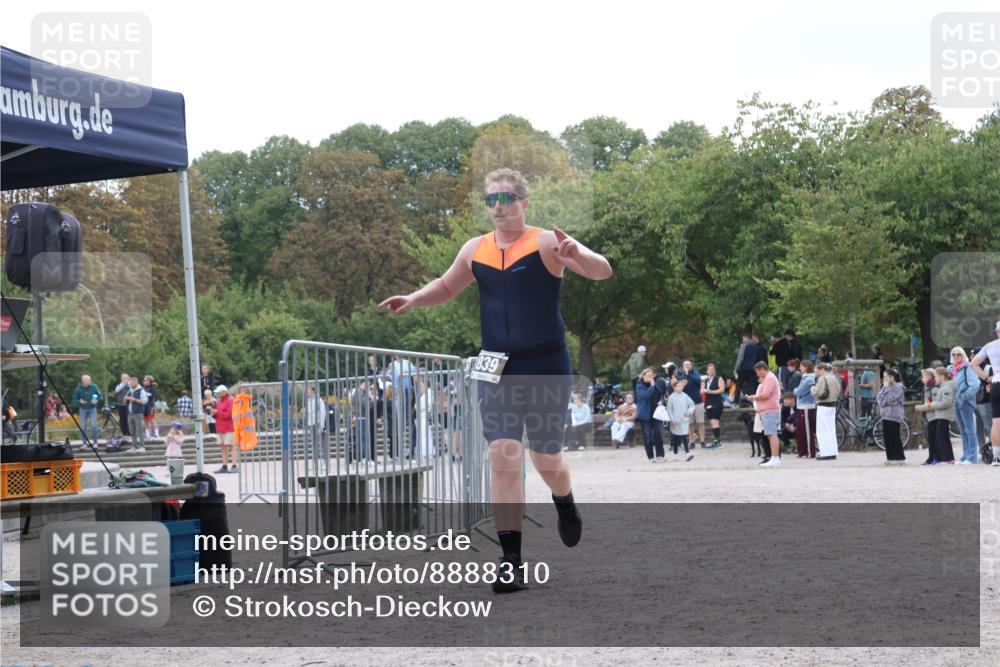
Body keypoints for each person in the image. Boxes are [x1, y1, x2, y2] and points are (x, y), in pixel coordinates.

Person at [378, 167, 612, 592]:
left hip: (545, 364)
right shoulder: (475, 249)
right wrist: (413, 299)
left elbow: (602, 272)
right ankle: (511, 561)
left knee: (545, 459)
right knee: (502, 454)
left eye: (506, 198)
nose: (498, 207)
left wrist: (578, 252)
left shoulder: (546, 242)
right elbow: (446, 287)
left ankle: (564, 501)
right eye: (491, 199)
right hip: (496, 366)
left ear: (524, 203)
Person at [970, 322, 1000, 467]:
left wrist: (987, 378)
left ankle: (996, 457)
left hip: (996, 382)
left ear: (997, 331)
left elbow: (973, 363)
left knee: (996, 422)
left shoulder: (990, 346)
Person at [916, 367, 956, 464]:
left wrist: (929, 405)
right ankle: (945, 458)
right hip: (939, 415)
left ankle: (944, 458)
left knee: (941, 437)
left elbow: (945, 403)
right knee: (940, 437)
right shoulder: (941, 387)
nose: (935, 379)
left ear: (942, 376)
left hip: (941, 416)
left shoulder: (943, 388)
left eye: (936, 376)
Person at [746, 361, 782, 467]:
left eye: (757, 372)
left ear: (761, 369)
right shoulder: (768, 378)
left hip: (770, 410)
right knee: (770, 435)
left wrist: (752, 397)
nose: (757, 374)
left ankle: (775, 458)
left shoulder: (769, 378)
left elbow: (765, 395)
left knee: (772, 435)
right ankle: (774, 458)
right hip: (768, 410)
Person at [950, 346, 979, 465]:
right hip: (955, 403)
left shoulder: (967, 367)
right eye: (954, 354)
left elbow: (975, 384)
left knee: (969, 429)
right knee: (962, 431)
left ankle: (972, 457)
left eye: (959, 354)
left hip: (966, 403)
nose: (956, 356)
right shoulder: (951, 369)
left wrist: (963, 396)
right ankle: (965, 455)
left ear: (963, 355)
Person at [635, 368, 666, 462]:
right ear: (643, 376)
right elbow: (645, 395)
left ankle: (660, 455)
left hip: (656, 414)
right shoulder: (639, 385)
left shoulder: (656, 384)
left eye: (651, 375)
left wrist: (661, 401)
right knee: (648, 437)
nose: (650, 377)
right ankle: (651, 457)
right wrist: (652, 386)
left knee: (658, 434)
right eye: (648, 376)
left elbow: (661, 394)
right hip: (645, 415)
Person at [811, 362, 841, 460]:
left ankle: (825, 453)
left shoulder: (822, 378)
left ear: (822, 370)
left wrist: (812, 388)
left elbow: (817, 392)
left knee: (822, 430)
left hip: (823, 405)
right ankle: (832, 452)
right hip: (832, 405)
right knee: (831, 430)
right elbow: (838, 390)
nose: (817, 373)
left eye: (818, 371)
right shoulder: (833, 377)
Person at [877, 369, 906, 464]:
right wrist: (886, 399)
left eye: (886, 377)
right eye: (884, 377)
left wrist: (887, 395)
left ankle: (899, 458)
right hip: (885, 415)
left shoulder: (899, 387)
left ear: (892, 377)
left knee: (894, 437)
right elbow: (880, 401)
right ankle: (890, 458)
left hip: (894, 415)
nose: (884, 379)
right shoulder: (884, 388)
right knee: (887, 438)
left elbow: (892, 398)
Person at [675, 360, 706, 448]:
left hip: (698, 402)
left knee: (701, 422)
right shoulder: (681, 376)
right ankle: (692, 442)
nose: (687, 366)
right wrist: (683, 383)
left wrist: (688, 374)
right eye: (685, 365)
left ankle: (702, 441)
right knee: (690, 424)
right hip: (687, 404)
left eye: (688, 364)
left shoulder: (695, 374)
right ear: (683, 366)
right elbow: (679, 388)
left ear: (691, 365)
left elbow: (698, 381)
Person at [666, 377, 696, 462]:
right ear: (674, 388)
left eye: (681, 386)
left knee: (684, 436)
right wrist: (672, 419)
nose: (680, 387)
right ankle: (675, 455)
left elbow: (692, 405)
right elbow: (669, 409)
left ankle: (687, 453)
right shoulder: (671, 397)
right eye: (678, 386)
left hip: (684, 420)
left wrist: (689, 411)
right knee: (675, 438)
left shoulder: (685, 396)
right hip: (675, 421)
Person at [793, 359, 818, 458]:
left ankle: (810, 452)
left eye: (801, 366)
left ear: (806, 367)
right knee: (801, 431)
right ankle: (803, 452)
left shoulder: (808, 379)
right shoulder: (805, 378)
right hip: (803, 407)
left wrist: (795, 390)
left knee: (807, 431)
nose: (800, 368)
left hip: (807, 407)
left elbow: (798, 392)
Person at [210, 385, 237, 473]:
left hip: (229, 427)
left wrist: (217, 412)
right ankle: (224, 466)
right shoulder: (220, 401)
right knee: (223, 447)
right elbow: (219, 415)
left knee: (232, 446)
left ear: (224, 392)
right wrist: (213, 413)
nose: (217, 394)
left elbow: (228, 415)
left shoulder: (231, 400)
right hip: (220, 428)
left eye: (219, 392)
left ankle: (234, 465)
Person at [71, 374, 102, 446]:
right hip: (83, 409)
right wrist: (79, 401)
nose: (90, 381)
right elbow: (74, 400)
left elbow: (100, 396)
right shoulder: (78, 389)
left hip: (92, 409)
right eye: (88, 380)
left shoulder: (94, 387)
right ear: (83, 381)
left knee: (94, 426)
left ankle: (95, 443)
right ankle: (84, 443)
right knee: (83, 427)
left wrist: (96, 400)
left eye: (90, 380)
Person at [915, 369, 938, 464]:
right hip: (928, 416)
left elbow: (933, 403)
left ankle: (935, 458)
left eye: (924, 376)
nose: (922, 378)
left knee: (934, 438)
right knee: (930, 438)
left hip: (934, 416)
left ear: (929, 376)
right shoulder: (926, 387)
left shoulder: (933, 388)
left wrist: (921, 408)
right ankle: (931, 457)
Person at [305, 385, 329, 472]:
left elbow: (323, 412)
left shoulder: (319, 400)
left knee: (322, 443)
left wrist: (322, 425)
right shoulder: (308, 401)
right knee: (314, 444)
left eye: (308, 390)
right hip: (311, 424)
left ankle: (325, 462)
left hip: (318, 423)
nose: (307, 392)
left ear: (312, 391)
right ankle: (315, 463)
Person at [123, 376, 149, 454]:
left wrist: (134, 400)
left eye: (133, 382)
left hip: (138, 413)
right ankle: (134, 446)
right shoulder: (129, 391)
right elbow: (124, 402)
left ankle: (142, 446)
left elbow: (144, 401)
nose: (131, 384)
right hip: (130, 413)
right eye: (130, 382)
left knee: (139, 430)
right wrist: (126, 399)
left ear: (137, 382)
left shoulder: (141, 391)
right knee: (132, 431)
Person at [703, 363, 725, 449]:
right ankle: (716, 441)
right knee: (712, 423)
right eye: (710, 369)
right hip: (708, 403)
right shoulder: (706, 380)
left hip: (716, 403)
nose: (711, 371)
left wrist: (710, 392)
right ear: (707, 371)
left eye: (713, 369)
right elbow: (703, 390)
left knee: (715, 422)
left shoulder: (719, 378)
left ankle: (717, 442)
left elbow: (721, 390)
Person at [113, 373, 131, 439]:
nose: (125, 379)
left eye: (126, 378)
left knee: (128, 419)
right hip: (121, 404)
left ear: (128, 378)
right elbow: (116, 390)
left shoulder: (130, 385)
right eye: (123, 378)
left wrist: (128, 384)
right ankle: (124, 433)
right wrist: (123, 384)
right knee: (122, 420)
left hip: (129, 405)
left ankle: (130, 433)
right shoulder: (120, 385)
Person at [142, 375, 160, 439]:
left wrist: (143, 393)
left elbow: (151, 395)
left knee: (152, 420)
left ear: (149, 381)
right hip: (144, 406)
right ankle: (147, 435)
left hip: (150, 406)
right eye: (144, 380)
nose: (144, 381)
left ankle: (156, 434)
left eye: (145, 380)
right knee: (145, 421)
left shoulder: (153, 388)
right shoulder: (143, 388)